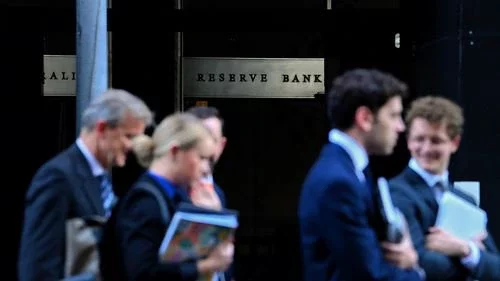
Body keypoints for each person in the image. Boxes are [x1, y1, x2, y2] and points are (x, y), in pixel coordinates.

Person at [298, 68, 424, 281]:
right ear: (365, 118)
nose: (401, 126)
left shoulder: (351, 169)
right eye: (393, 115)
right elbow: (368, 274)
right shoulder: (338, 182)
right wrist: (415, 272)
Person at [18, 89, 153, 281]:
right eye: (128, 136)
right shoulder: (58, 177)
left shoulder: (99, 178)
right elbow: (38, 264)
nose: (132, 146)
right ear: (102, 129)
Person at [100, 112, 234, 281]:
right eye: (201, 158)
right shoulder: (144, 200)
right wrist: (206, 266)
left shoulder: (172, 195)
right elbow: (141, 272)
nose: (206, 168)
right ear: (176, 152)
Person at [389, 96, 500, 280]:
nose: (426, 148)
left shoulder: (466, 199)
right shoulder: (397, 192)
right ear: (408, 141)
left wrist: (464, 249)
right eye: (419, 139)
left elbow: (496, 268)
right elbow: (420, 263)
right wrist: (475, 257)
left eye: (436, 140)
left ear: (454, 143)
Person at [186, 106, 228, 208]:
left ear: (221, 145)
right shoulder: (168, 190)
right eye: (198, 140)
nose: (205, 148)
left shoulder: (219, 194)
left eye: (212, 140)